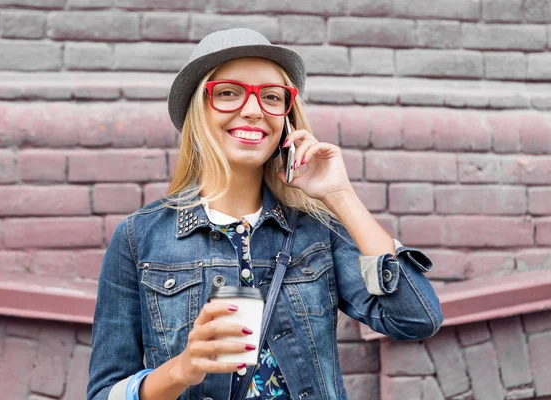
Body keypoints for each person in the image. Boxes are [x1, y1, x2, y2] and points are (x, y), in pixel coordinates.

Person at [87, 28, 443, 400]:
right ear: (198, 111)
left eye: (272, 97)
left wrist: (339, 195)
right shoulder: (139, 238)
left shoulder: (316, 231)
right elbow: (103, 393)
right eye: (228, 93)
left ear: (287, 121)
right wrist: (182, 368)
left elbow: (416, 317)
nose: (254, 110)